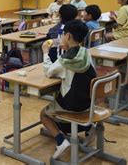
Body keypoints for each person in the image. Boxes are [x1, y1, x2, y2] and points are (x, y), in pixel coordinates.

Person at [40, 19, 97, 159]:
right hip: (88, 103)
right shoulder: (87, 53)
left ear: (68, 36)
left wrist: (45, 52)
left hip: (72, 106)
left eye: (64, 34)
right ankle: (89, 127)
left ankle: (61, 141)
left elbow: (49, 71)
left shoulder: (64, 60)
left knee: (43, 114)